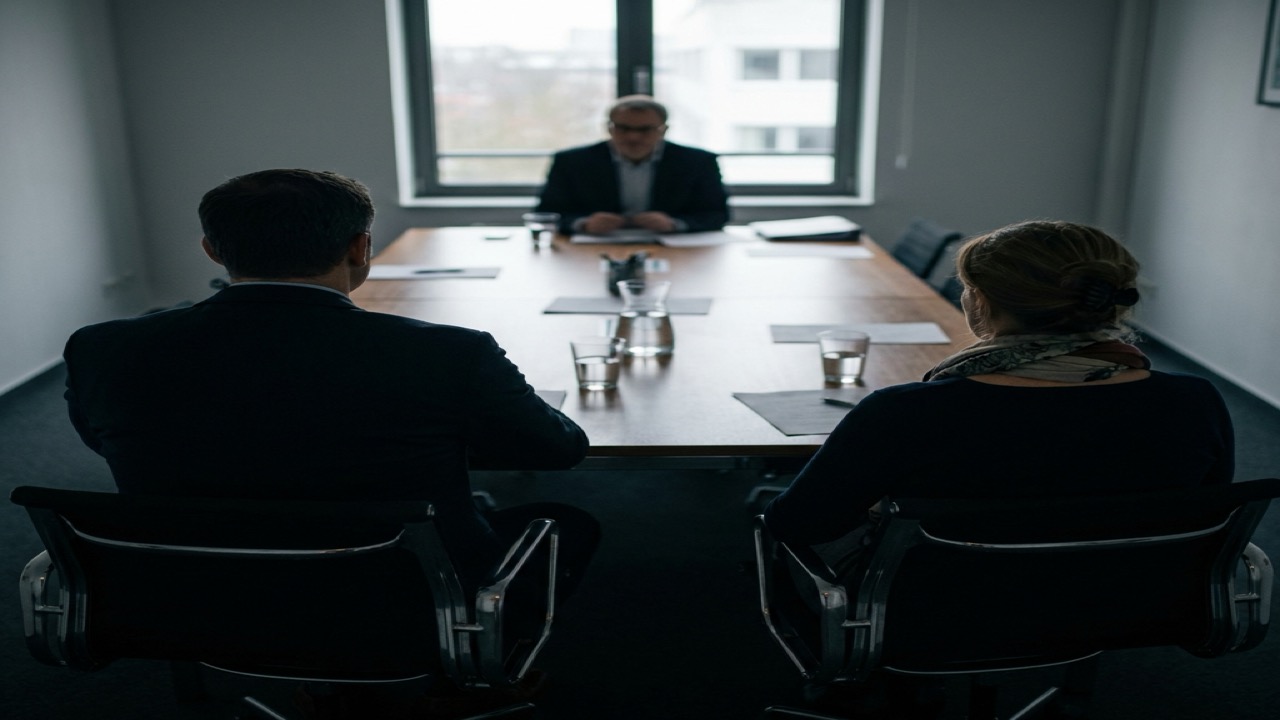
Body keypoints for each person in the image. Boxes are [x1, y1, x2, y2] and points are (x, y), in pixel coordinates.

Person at [63, 169, 600, 715]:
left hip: (194, 595)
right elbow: (558, 449)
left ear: (210, 250)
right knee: (567, 524)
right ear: (361, 247)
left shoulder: (102, 348)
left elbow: (104, 442)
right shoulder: (447, 354)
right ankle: (466, 674)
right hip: (402, 602)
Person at [762, 219, 1234, 716]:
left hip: (932, 611)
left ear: (981, 303)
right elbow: (1204, 516)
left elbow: (795, 524)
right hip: (1122, 601)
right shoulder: (1193, 401)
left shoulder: (906, 412)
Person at [535, 94, 729, 235]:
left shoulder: (698, 162)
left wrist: (675, 224)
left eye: (645, 129)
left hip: (674, 250)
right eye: (623, 128)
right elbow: (546, 214)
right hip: (591, 250)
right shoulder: (571, 161)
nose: (633, 137)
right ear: (609, 129)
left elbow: (718, 215)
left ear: (663, 130)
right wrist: (583, 224)